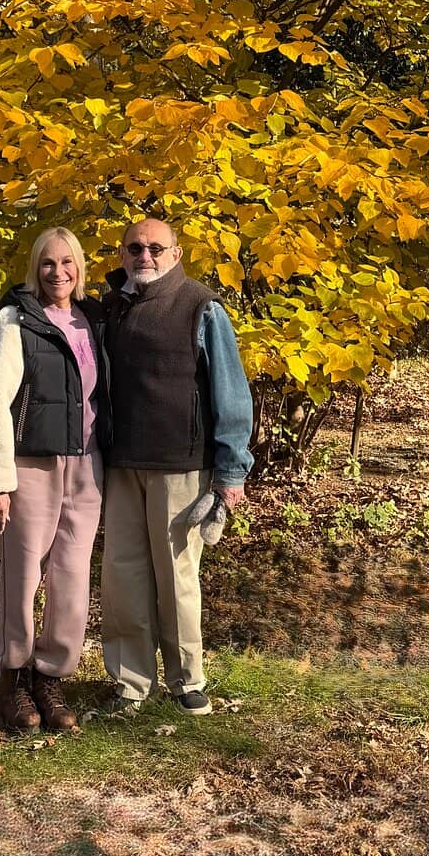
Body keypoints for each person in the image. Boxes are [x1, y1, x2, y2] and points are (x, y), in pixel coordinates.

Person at [101, 217, 254, 716]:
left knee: (176, 576)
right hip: (121, 463)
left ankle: (187, 678)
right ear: (122, 254)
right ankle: (129, 682)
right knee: (124, 576)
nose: (144, 256)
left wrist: (232, 471)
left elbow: (231, 394)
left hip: (181, 465)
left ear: (177, 252)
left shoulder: (201, 308)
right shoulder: (110, 307)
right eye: (134, 248)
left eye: (155, 248)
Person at [0, 226, 105, 732]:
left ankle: (52, 676)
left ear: (80, 267)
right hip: (31, 465)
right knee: (22, 575)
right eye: (48, 263)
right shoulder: (13, 321)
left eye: (67, 262)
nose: (58, 272)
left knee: (71, 578)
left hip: (86, 466)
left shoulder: (91, 320)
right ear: (35, 268)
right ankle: (13, 682)